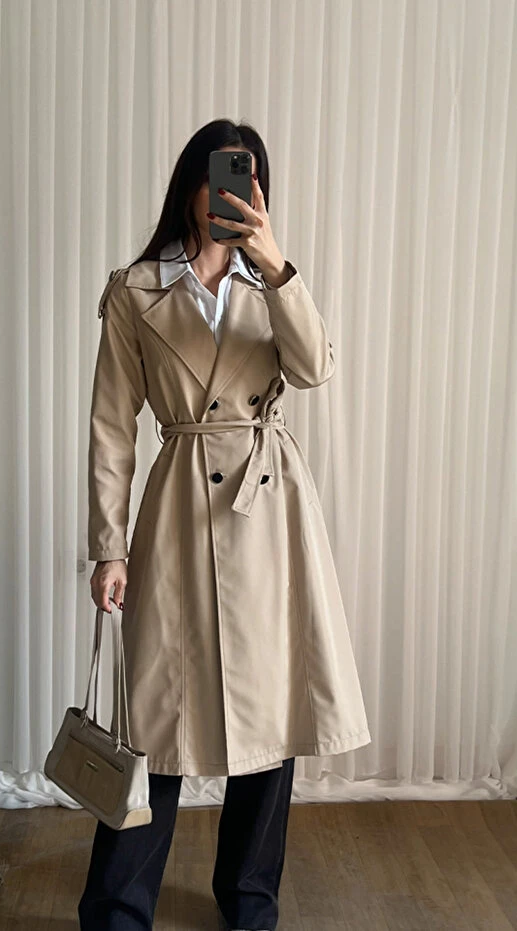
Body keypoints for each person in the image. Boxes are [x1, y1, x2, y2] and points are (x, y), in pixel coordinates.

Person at [79, 119, 371, 930]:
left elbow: (314, 369)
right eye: (221, 177)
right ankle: (117, 908)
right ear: (191, 185)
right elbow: (110, 428)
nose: (233, 194)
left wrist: (275, 265)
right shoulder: (135, 289)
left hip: (266, 513)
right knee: (153, 717)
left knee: (269, 712)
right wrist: (108, 546)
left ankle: (249, 901)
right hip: (177, 507)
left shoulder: (271, 282)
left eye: (248, 179)